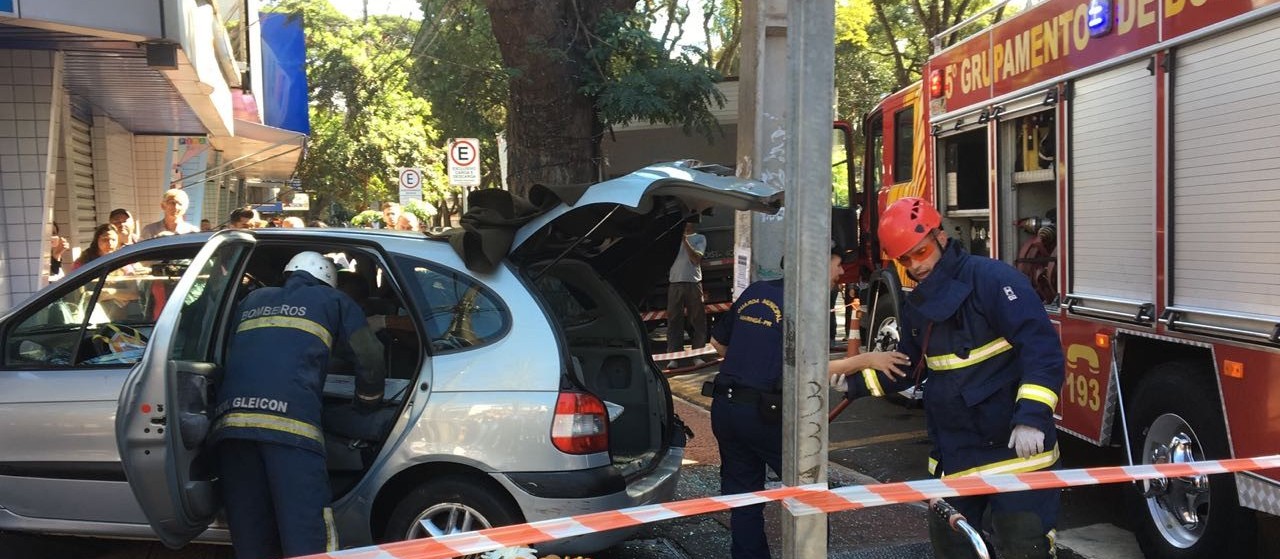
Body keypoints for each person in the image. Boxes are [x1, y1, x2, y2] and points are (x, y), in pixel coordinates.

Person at [844, 197, 1065, 559]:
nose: (917, 265)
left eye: (922, 251)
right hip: (956, 455)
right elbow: (907, 365)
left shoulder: (994, 281)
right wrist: (851, 385)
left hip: (1015, 454)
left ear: (940, 235)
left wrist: (1031, 417)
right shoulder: (922, 304)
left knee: (1024, 547)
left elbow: (1042, 352)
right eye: (906, 260)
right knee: (954, 550)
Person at [707, 244, 910, 559]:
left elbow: (718, 344)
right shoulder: (805, 304)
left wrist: (755, 360)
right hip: (764, 416)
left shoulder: (756, 291)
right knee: (810, 497)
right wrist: (869, 359)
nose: (842, 272)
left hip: (725, 408)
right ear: (818, 262)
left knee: (743, 500)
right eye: (838, 263)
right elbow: (810, 370)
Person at [208, 252, 386, 558]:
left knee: (250, 529)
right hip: (292, 430)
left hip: (232, 428)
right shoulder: (335, 301)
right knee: (306, 530)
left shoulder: (251, 300)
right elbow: (369, 355)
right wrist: (367, 403)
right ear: (329, 282)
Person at [664, 218, 707, 368]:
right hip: (675, 283)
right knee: (674, 320)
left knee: (697, 319)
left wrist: (684, 241)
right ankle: (674, 356)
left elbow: (696, 259)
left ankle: (697, 355)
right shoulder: (671, 240)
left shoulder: (700, 238)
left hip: (694, 283)